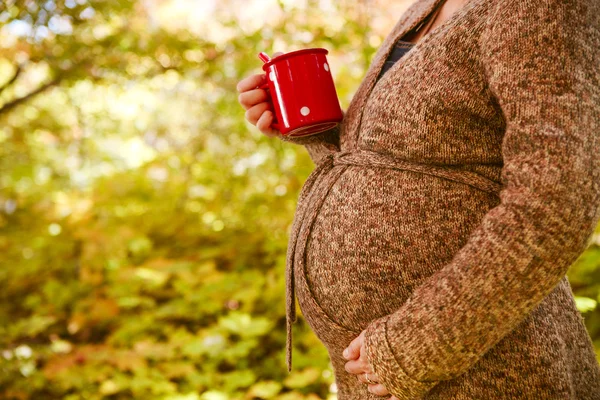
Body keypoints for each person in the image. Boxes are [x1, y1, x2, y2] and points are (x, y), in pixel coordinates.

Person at [237, 0, 600, 398]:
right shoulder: (426, 8)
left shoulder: (541, 8)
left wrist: (419, 344)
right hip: (380, 375)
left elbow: (557, 200)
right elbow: (402, 160)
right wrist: (309, 127)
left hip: (485, 370)